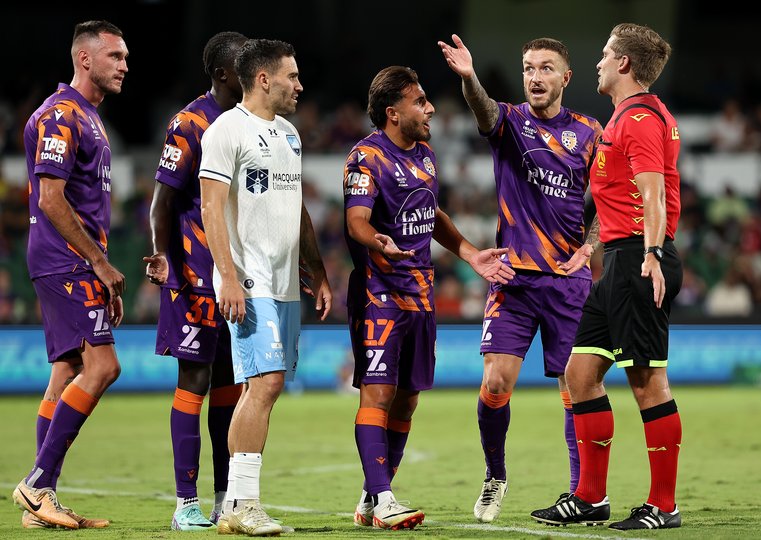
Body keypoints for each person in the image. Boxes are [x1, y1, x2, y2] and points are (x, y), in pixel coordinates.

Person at [438, 34, 603, 523]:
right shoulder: (509, 121)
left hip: (568, 283)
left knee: (576, 391)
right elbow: (483, 110)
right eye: (529, 67)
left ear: (565, 78)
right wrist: (469, 78)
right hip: (514, 279)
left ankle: (583, 493)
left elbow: (610, 199)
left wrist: (590, 246)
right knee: (494, 385)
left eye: (546, 68)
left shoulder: (591, 133)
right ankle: (495, 476)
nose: (535, 76)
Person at [345, 65, 515, 530]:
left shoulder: (425, 155)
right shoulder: (366, 158)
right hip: (379, 294)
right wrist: (377, 241)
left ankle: (369, 496)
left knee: (408, 400)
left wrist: (469, 252)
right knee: (378, 394)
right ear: (392, 112)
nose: (431, 108)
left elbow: (431, 211)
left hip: (420, 295)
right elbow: (356, 220)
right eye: (420, 101)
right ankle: (383, 498)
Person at [530, 23, 684, 530]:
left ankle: (664, 506)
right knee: (580, 375)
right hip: (616, 261)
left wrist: (654, 254)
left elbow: (653, 191)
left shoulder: (637, 119)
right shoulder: (627, 117)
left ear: (623, 64)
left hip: (638, 260)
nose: (597, 63)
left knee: (647, 382)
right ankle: (591, 498)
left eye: (603, 55)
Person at [199, 38, 332, 536]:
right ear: (263, 79)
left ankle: (235, 503)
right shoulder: (225, 131)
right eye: (292, 76)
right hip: (248, 279)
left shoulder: (290, 135)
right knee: (266, 384)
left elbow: (296, 206)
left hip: (284, 282)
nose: (299, 85)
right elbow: (211, 209)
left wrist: (315, 269)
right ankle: (245, 503)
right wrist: (228, 276)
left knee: (262, 388)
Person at [11, 20, 128, 530]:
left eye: (125, 57)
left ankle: (42, 504)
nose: (124, 65)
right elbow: (52, 198)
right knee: (102, 368)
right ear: (85, 59)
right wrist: (99, 263)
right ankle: (37, 484)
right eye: (115, 56)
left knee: (65, 370)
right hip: (65, 259)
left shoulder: (89, 117)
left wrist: (99, 266)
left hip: (74, 259)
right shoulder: (62, 115)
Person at [143, 31, 247, 531]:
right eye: (243, 63)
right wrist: (165, 259)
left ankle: (226, 494)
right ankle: (186, 501)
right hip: (194, 274)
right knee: (196, 380)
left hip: (241, 278)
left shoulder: (250, 123)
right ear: (224, 73)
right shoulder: (191, 123)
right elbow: (162, 202)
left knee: (230, 383)